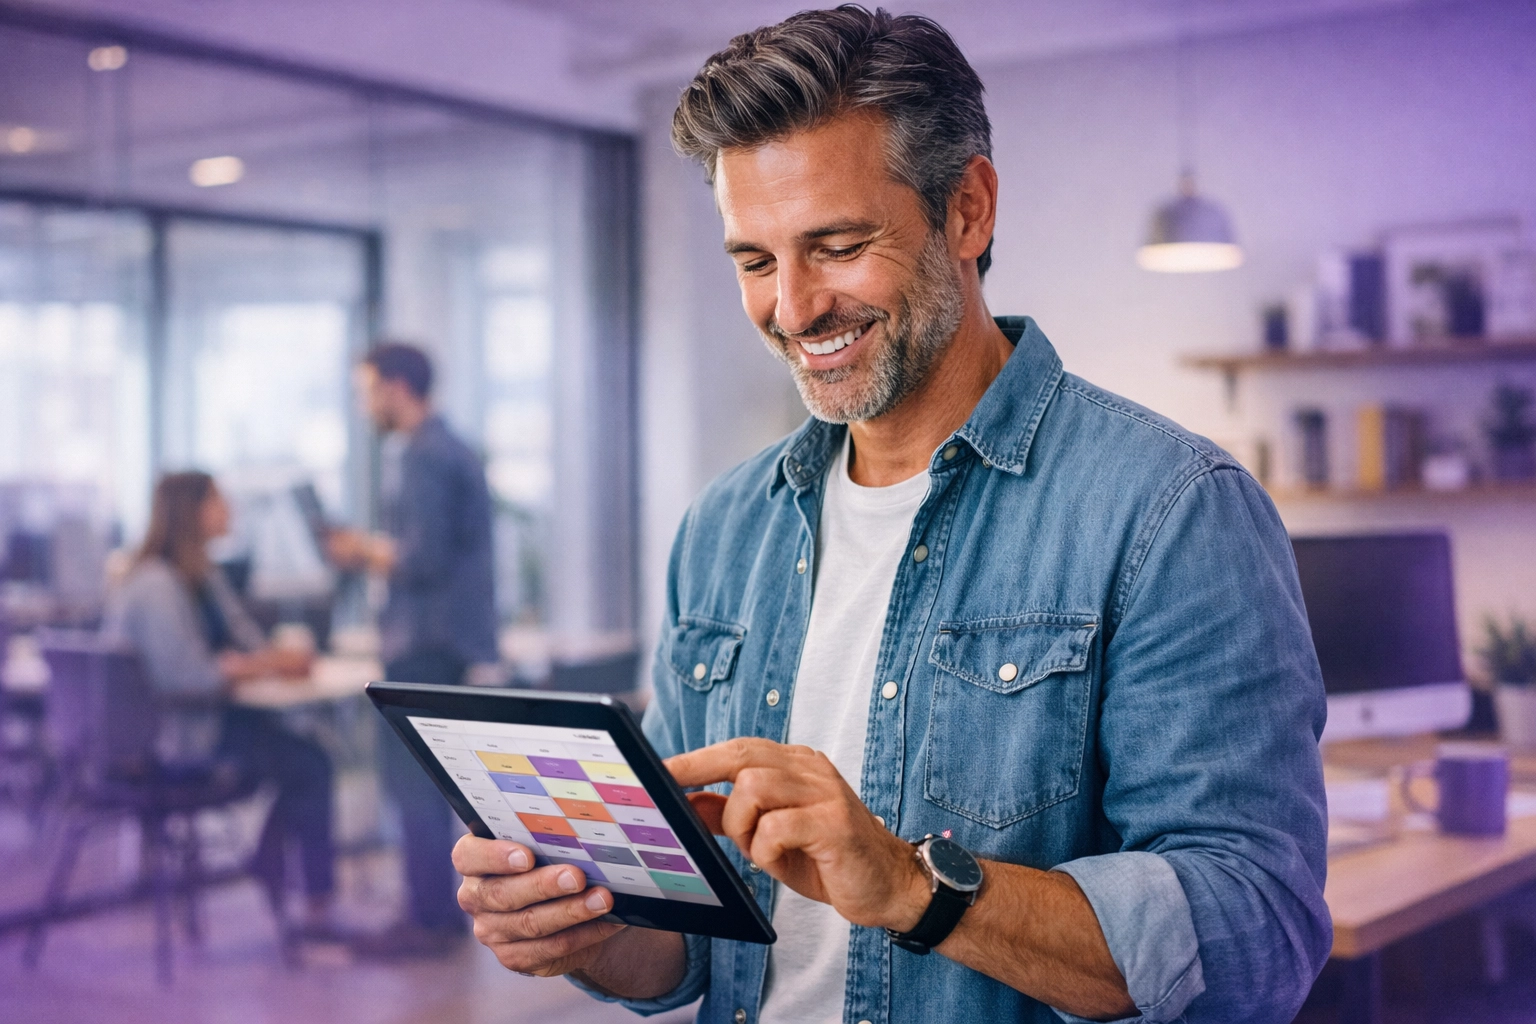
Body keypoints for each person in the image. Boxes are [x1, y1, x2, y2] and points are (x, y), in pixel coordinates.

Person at [453, 7, 1330, 1024]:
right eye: (754, 260)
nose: (792, 307)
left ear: (968, 209)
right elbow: (691, 954)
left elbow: (1255, 936)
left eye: (835, 244)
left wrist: (917, 888)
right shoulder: (724, 531)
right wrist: (590, 929)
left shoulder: (1170, 511)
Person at [108, 471, 338, 937]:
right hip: (176, 745)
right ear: (192, 511)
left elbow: (243, 642)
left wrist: (266, 658)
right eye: (219, 501)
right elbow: (186, 675)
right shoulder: (155, 583)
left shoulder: (202, 575)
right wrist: (250, 667)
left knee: (307, 754)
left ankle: (275, 866)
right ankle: (314, 909)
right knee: (310, 764)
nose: (229, 509)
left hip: (208, 727)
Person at [328, 341, 498, 955]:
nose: (364, 403)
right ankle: (434, 914)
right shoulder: (445, 447)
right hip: (445, 640)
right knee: (427, 781)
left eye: (367, 389)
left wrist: (358, 550)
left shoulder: (424, 454)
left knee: (414, 784)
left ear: (397, 387)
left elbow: (421, 557)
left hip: (426, 641)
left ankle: (428, 920)